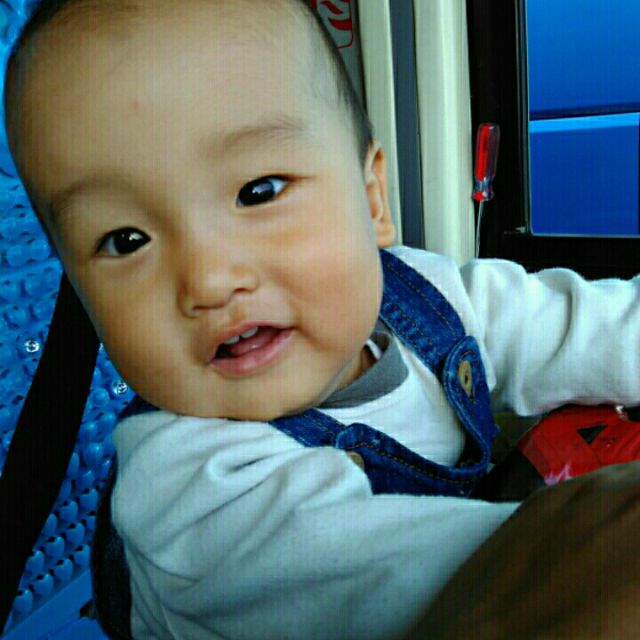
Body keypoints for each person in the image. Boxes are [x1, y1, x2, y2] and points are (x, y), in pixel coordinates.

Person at [4, 0, 640, 638]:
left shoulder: (425, 298)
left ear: (371, 200)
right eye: (125, 241)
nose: (209, 280)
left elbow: (585, 328)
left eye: (258, 192)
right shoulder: (195, 496)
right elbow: (468, 580)